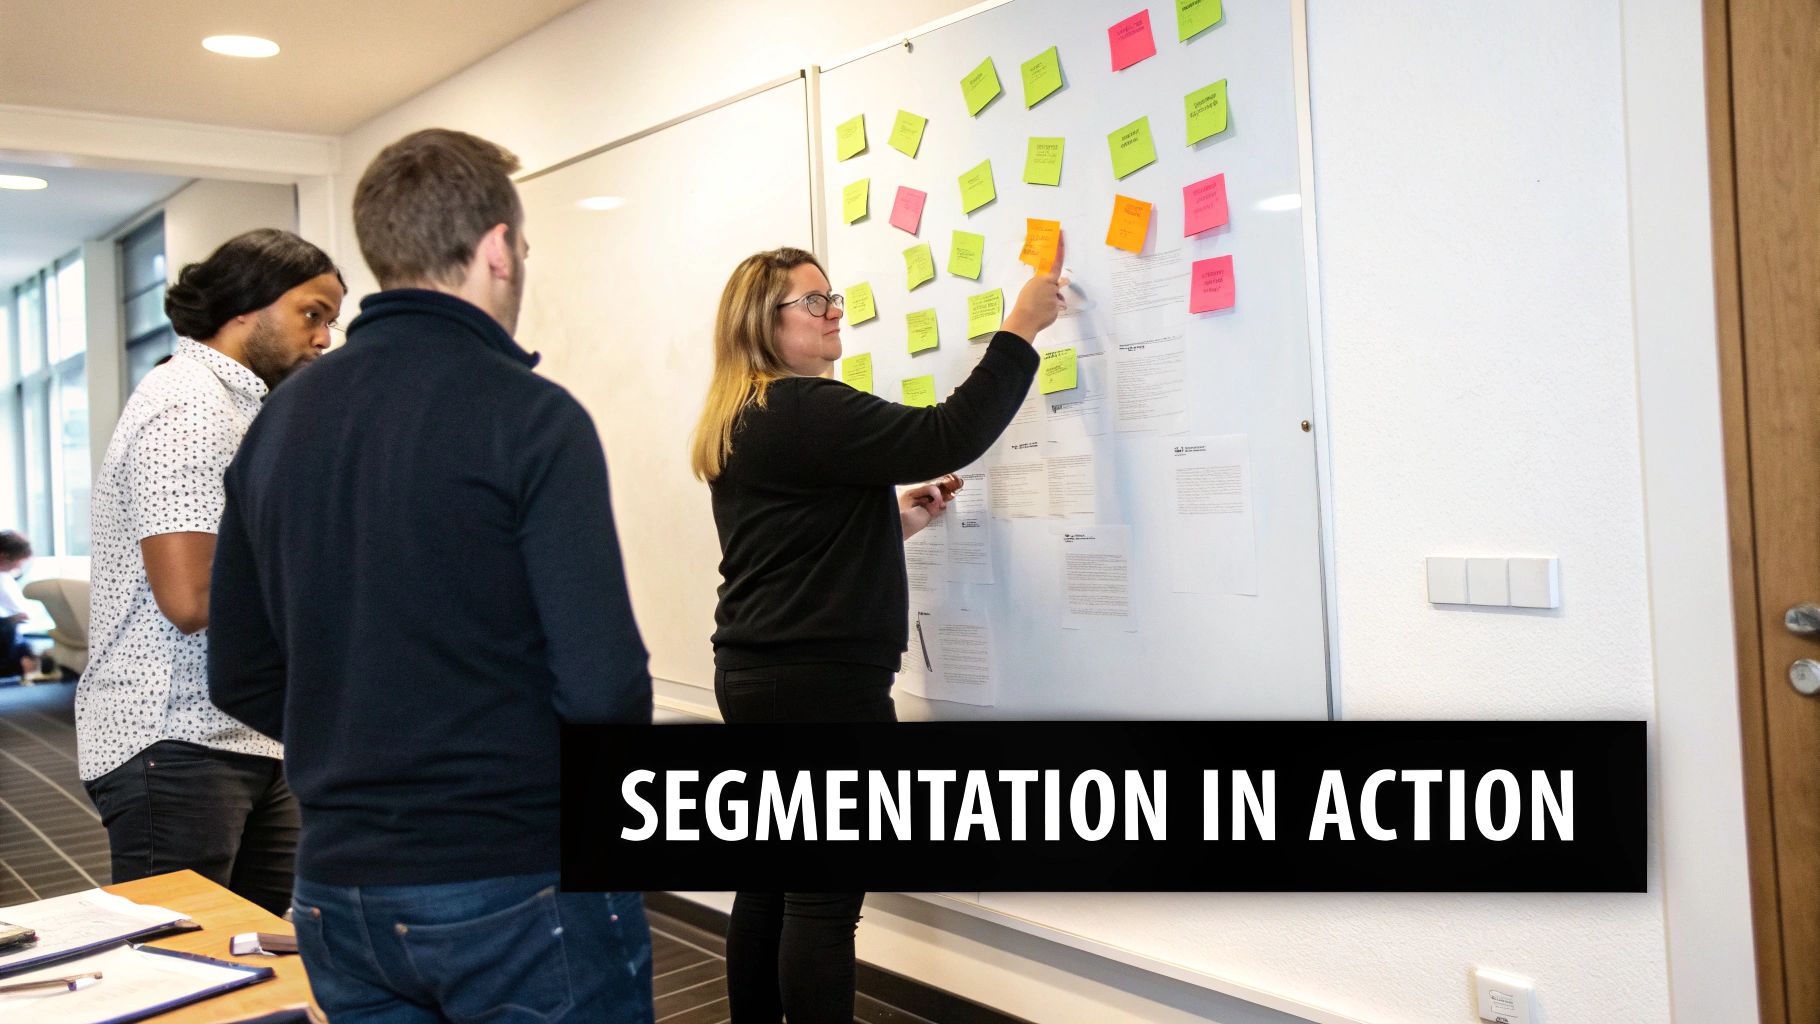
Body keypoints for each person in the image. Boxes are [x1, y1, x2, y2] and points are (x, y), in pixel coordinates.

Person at [208, 128, 656, 1024]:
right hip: (517, 876)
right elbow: (605, 690)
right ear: (496, 248)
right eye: (521, 249)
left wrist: (361, 736)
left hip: (337, 888)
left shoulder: (279, 420)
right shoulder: (530, 416)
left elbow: (240, 672)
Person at [691, 239, 1068, 1023]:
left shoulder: (746, 416)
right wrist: (1021, 330)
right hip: (821, 688)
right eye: (814, 303)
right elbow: (946, 433)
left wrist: (889, 522)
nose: (835, 316)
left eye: (835, 300)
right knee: (824, 900)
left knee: (770, 881)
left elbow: (790, 544)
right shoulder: (805, 405)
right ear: (766, 320)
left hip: (758, 677)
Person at [77, 229, 342, 915]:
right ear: (245, 306)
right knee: (180, 971)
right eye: (311, 314)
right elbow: (192, 598)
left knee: (258, 956)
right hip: (175, 737)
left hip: (239, 732)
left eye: (331, 321)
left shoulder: (242, 408)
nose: (323, 339)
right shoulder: (191, 404)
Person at [0, 531, 37, 679]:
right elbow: (21, 613)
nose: (20, 568)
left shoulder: (5, 578)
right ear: (3, 557)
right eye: (20, 561)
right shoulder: (3, 579)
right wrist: (12, 620)